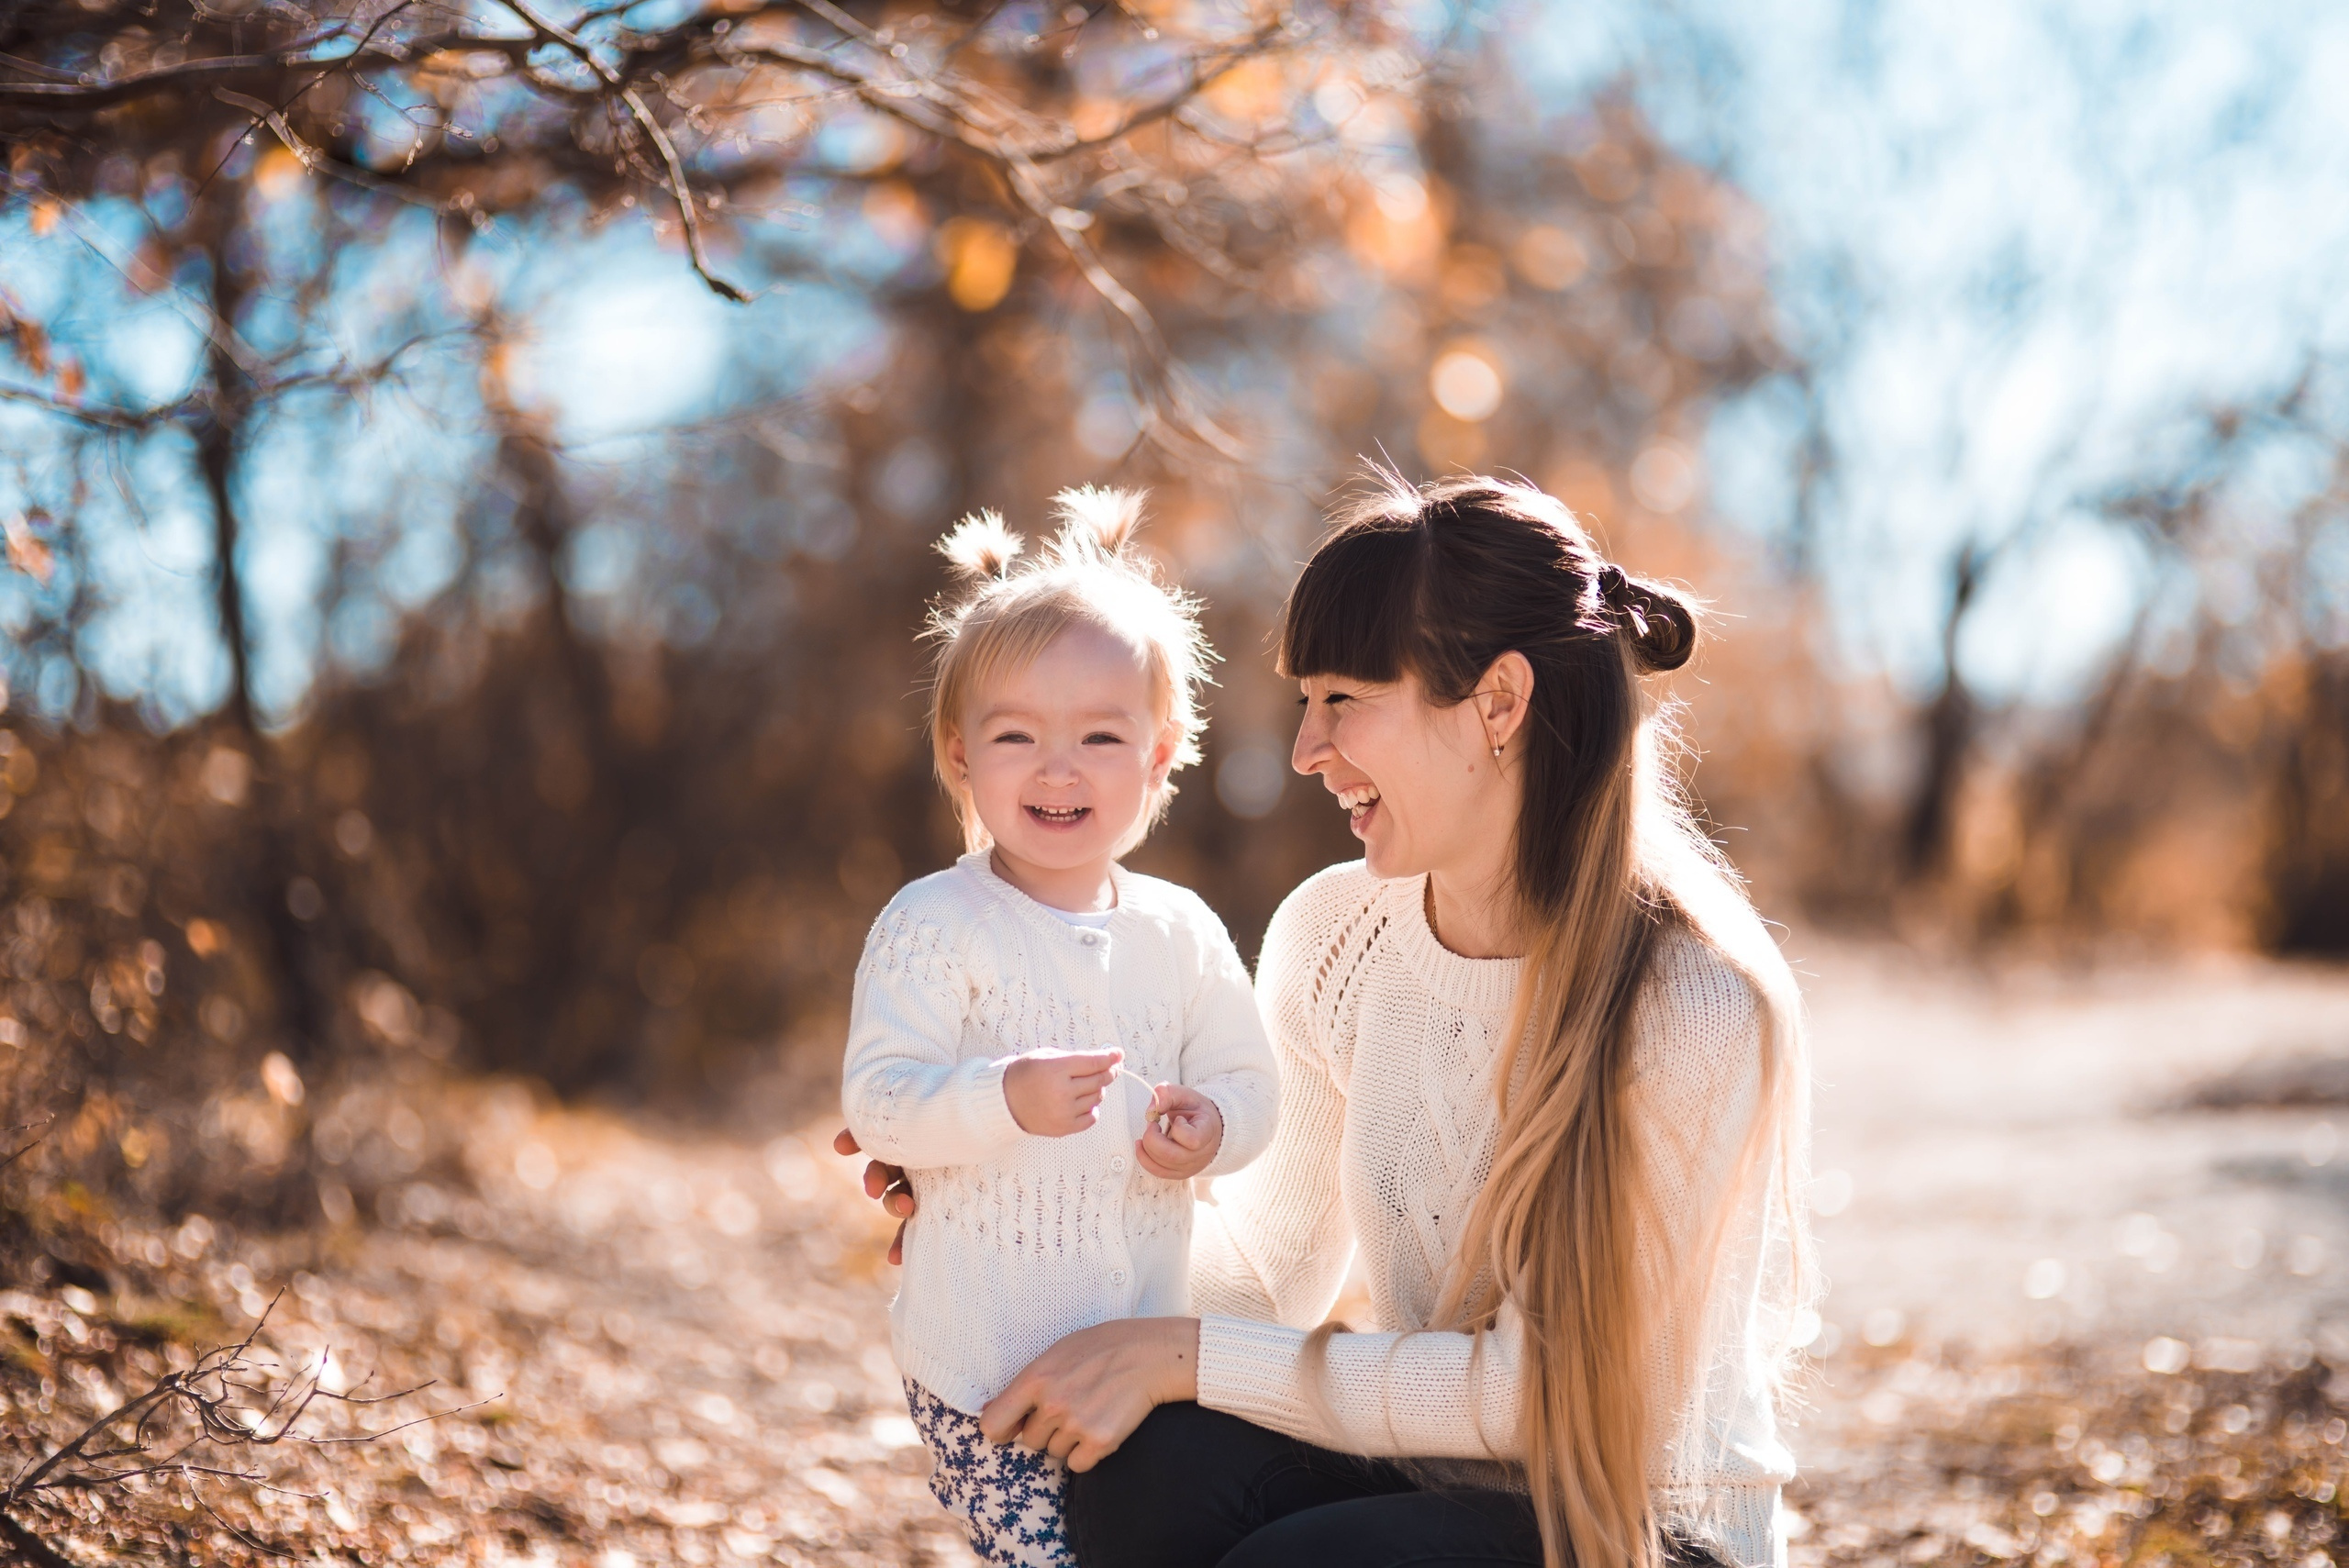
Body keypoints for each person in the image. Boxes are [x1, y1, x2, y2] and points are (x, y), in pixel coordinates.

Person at [846, 473, 1814, 1568]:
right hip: (1431, 1490)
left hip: (1646, 1529)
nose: (1306, 747)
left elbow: (1545, 1392)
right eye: (1305, 702)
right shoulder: (1337, 931)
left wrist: (1185, 1353)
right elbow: (1262, 1276)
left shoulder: (1689, 997)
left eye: (1344, 698)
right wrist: (1025, 1218)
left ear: (1498, 702)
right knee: (1144, 1472)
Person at [838, 487, 1281, 1568]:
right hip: (981, 1364)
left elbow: (1252, 1080)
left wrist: (1214, 1124)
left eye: (1099, 735)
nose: (1057, 766)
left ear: (1160, 753)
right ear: (960, 754)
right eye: (1016, 735)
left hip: (1140, 1358)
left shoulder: (1181, 928)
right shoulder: (934, 922)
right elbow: (879, 1101)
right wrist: (1000, 1096)